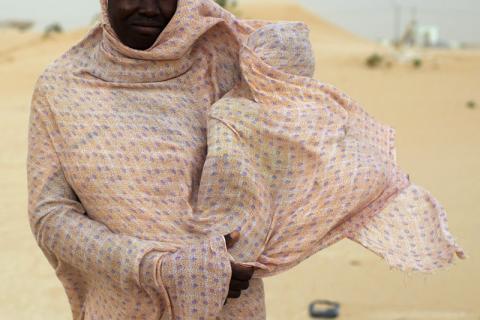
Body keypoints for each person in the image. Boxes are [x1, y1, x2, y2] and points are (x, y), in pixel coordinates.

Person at [27, 0, 465, 319]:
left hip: (228, 306)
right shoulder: (63, 87)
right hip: (120, 306)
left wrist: (276, 53)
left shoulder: (221, 59)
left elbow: (284, 135)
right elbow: (50, 215)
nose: (149, 6)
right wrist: (156, 267)